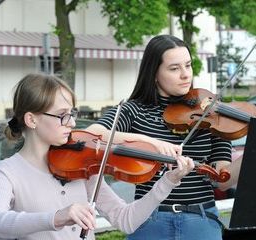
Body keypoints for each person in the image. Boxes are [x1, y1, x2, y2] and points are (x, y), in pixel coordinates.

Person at [0, 73, 194, 240]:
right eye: (63, 116)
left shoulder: (81, 167)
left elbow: (125, 220)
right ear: (32, 120)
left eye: (72, 115)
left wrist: (167, 182)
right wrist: (58, 217)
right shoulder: (7, 172)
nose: (72, 123)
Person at [86, 35, 242, 240]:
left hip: (201, 221)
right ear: (154, 74)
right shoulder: (134, 111)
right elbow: (91, 133)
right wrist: (152, 143)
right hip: (149, 221)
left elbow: (222, 180)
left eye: (188, 65)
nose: (185, 75)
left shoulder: (210, 113)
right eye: (174, 68)